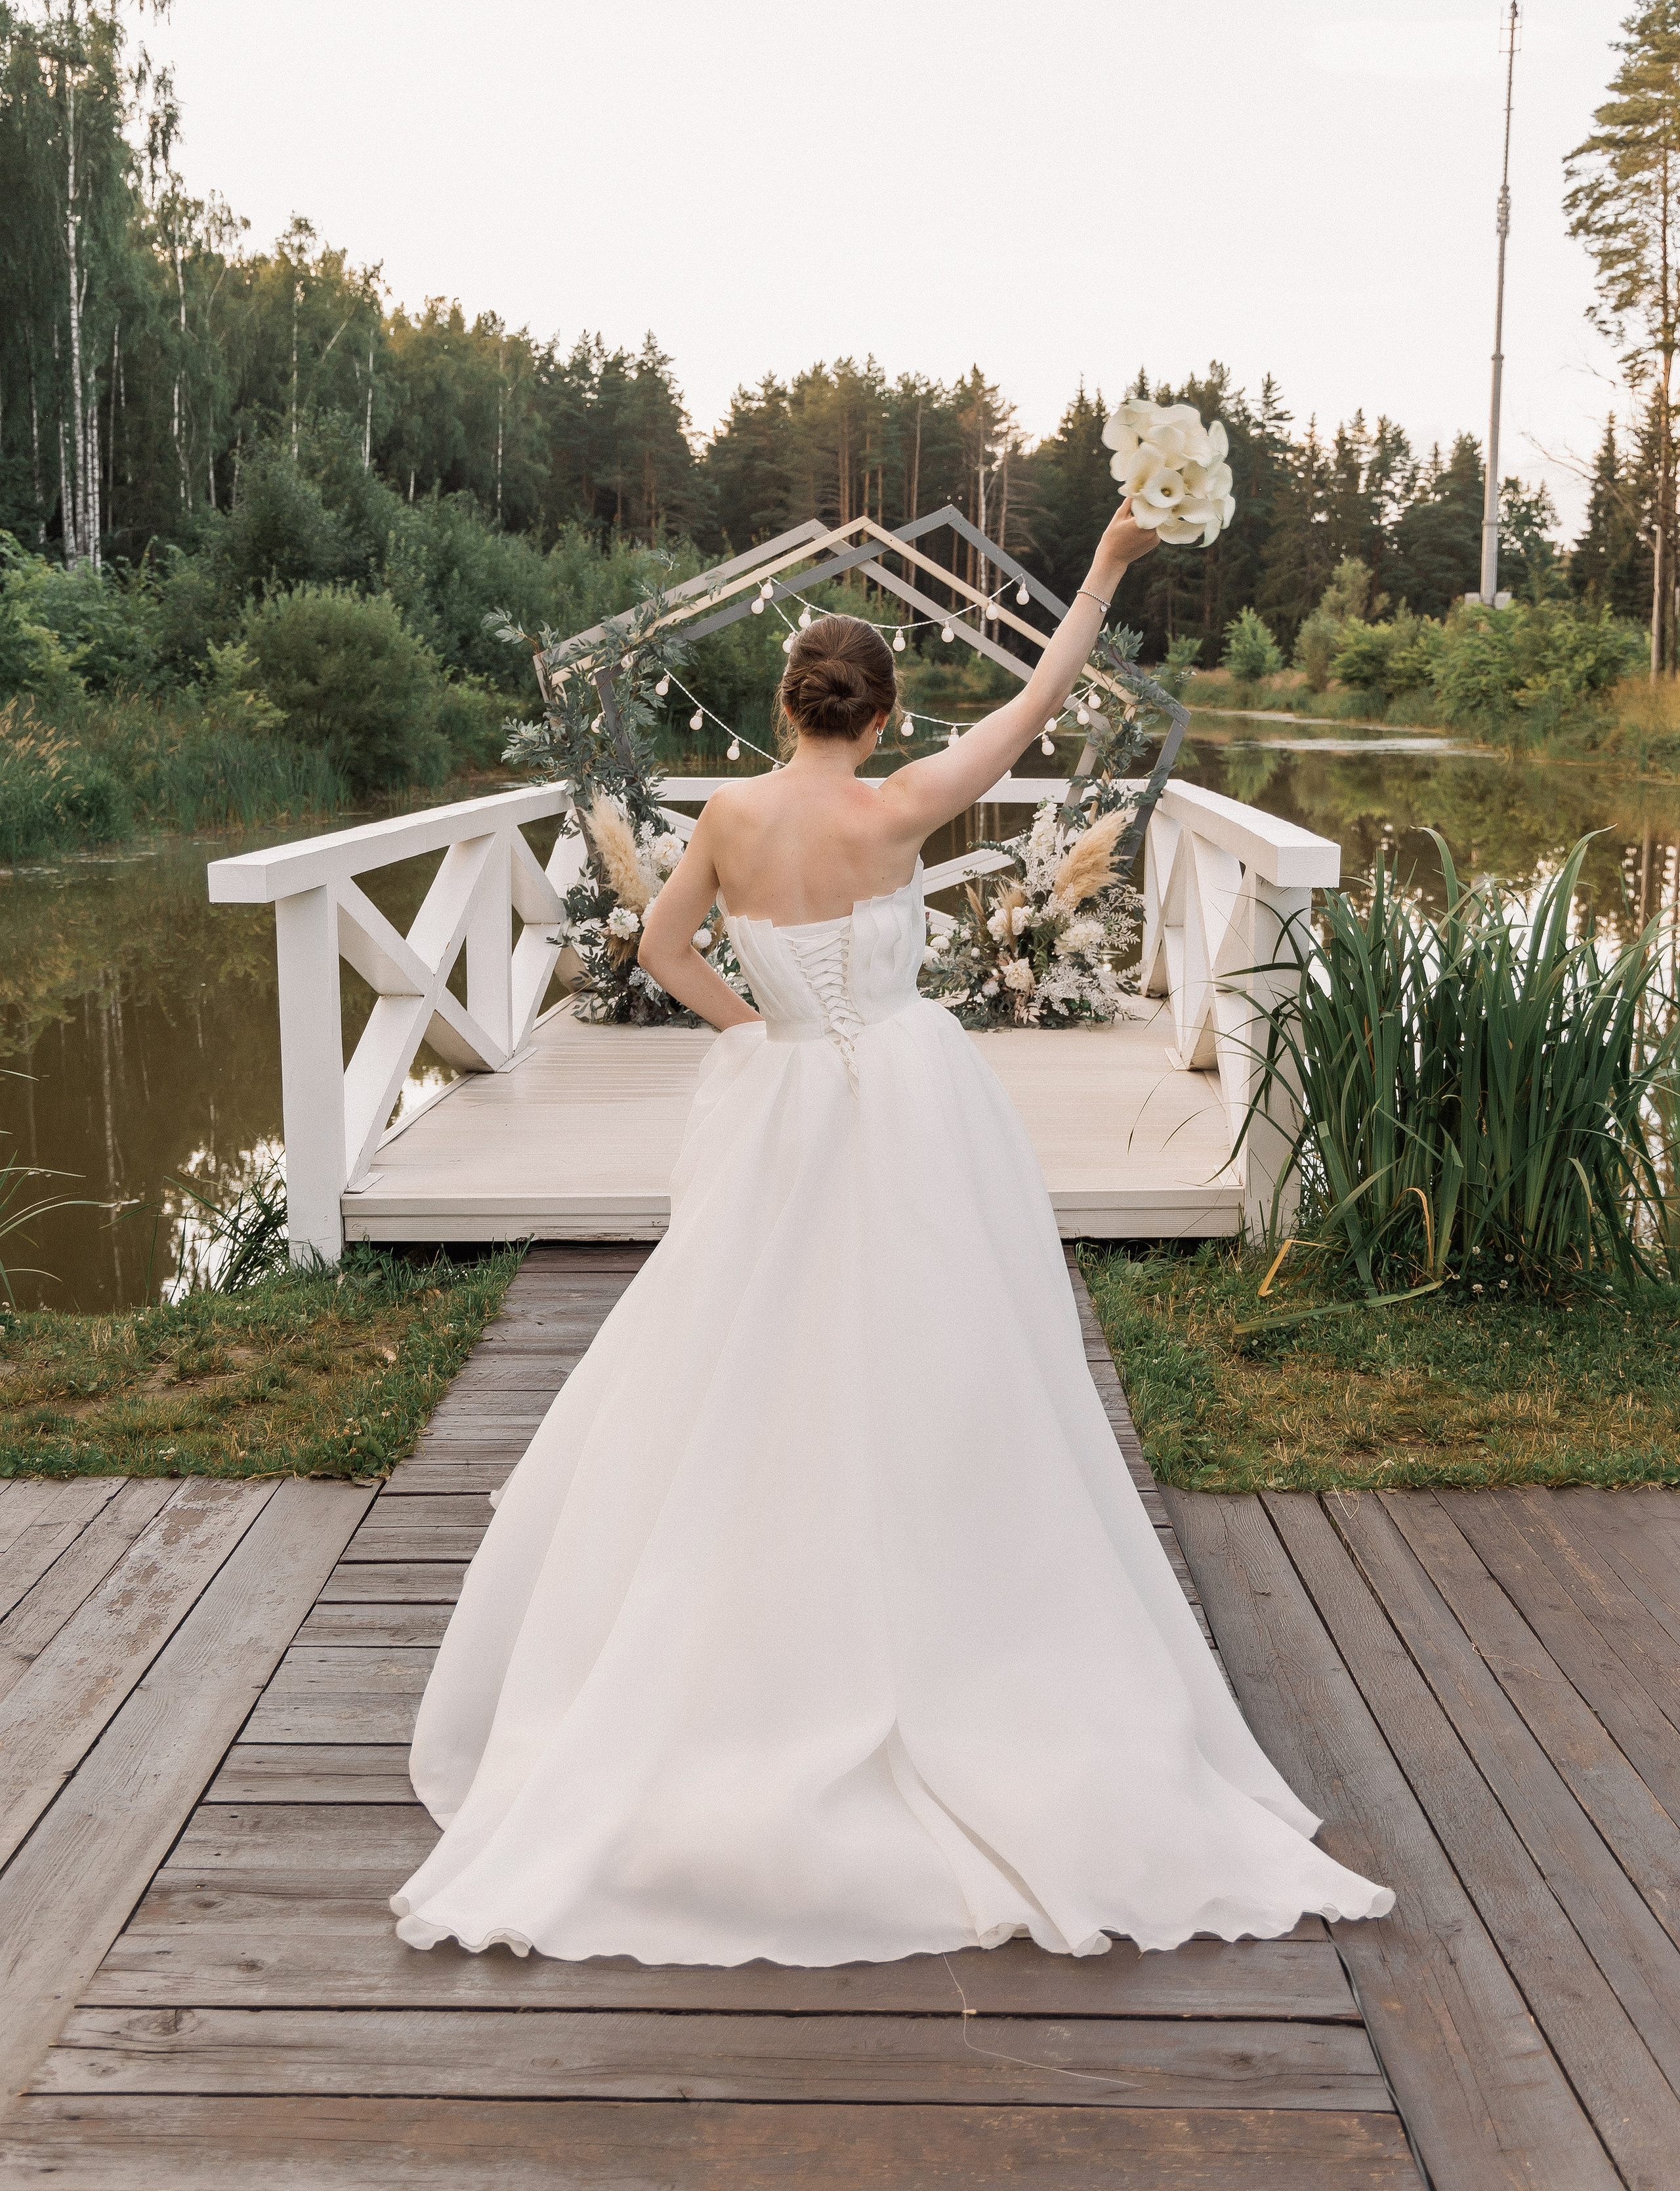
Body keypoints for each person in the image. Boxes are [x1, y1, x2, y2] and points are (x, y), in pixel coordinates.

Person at [392, 508, 1395, 1965]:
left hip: (785, 1097)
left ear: (784, 702)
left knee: (744, 1354)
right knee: (949, 1348)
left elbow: (662, 952)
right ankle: (953, 1592)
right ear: (879, 714)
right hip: (916, 1095)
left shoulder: (729, 821)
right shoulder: (905, 805)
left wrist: (759, 1031)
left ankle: (744, 1636)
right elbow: (1041, 696)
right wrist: (1107, 564)